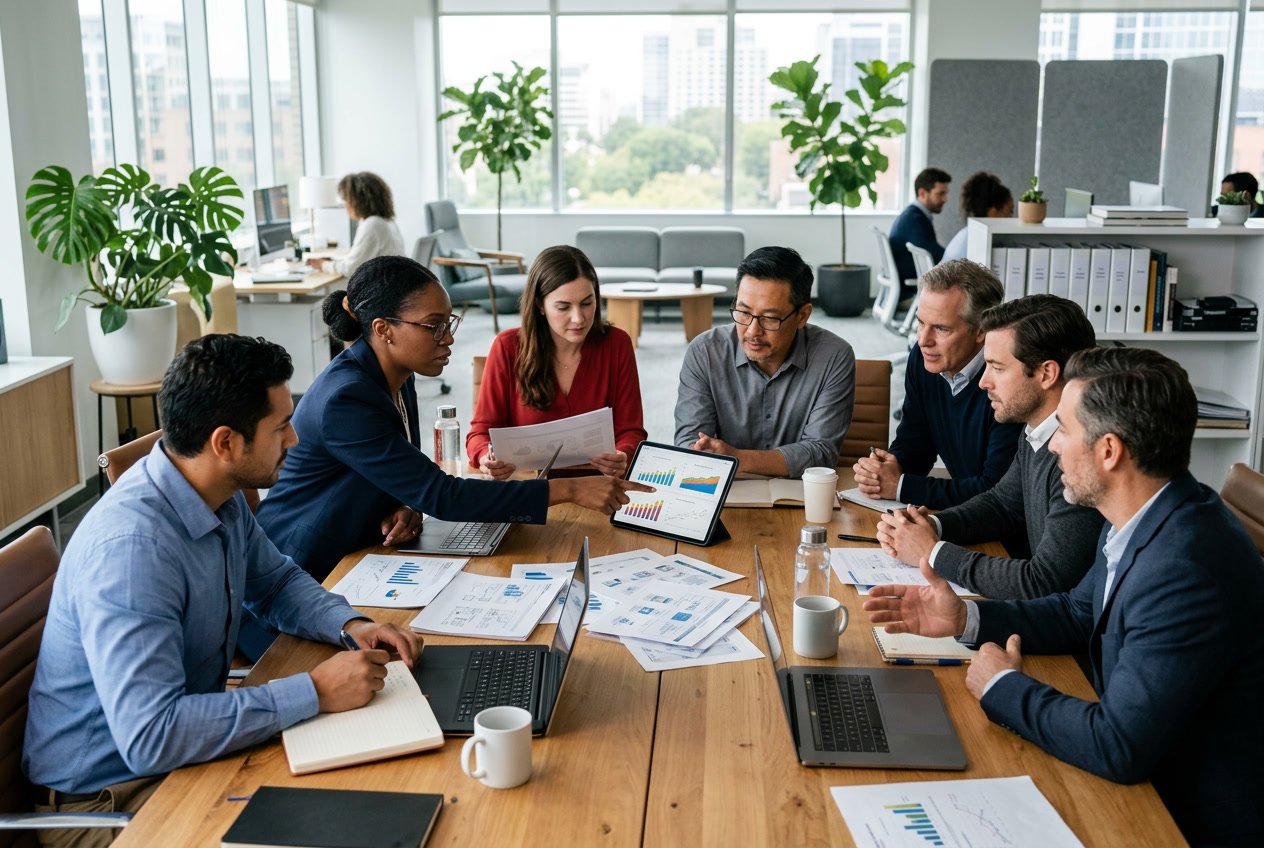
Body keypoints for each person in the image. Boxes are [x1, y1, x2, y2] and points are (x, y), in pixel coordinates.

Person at [23, 335, 422, 848]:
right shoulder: (132, 551)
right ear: (226, 443)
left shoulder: (214, 491)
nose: (295, 440)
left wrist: (352, 625)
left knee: (377, 791)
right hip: (110, 801)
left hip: (177, 755)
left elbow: (274, 582)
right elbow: (153, 735)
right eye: (281, 427)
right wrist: (315, 691)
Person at [863, 347, 1264, 847]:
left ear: (1109, 451)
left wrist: (1002, 687)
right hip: (1141, 762)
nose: (1051, 447)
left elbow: (1118, 745)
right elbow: (1078, 611)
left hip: (1180, 816)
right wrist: (965, 618)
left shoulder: (1186, 568)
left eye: (1065, 430)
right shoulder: (1146, 511)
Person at [257, 255, 651, 586]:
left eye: (449, 322)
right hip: (301, 572)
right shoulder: (347, 398)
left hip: (364, 549)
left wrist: (404, 501)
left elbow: (397, 469)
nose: (448, 338)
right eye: (434, 326)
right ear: (384, 330)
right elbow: (443, 495)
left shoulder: (396, 374)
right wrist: (572, 491)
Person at [876, 294, 1104, 599]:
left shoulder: (1081, 458)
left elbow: (1043, 581)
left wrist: (933, 552)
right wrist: (932, 524)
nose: (983, 382)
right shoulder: (1036, 429)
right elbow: (1002, 505)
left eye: (997, 368)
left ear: (1046, 374)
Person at [854, 259, 1022, 509]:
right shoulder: (924, 360)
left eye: (941, 329)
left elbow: (996, 492)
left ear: (980, 331)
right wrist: (890, 466)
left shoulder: (1005, 383)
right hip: (965, 515)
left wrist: (900, 486)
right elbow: (915, 443)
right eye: (921, 323)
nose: (923, 340)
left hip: (1003, 533)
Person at [674, 246, 855, 477]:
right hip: (724, 490)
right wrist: (703, 454)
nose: (752, 331)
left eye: (770, 318)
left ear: (802, 316)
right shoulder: (705, 352)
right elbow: (690, 444)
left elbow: (820, 453)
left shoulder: (833, 356)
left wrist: (737, 458)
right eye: (743, 312)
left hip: (800, 495)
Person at [467, 245, 646, 479]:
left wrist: (624, 454)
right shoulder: (508, 347)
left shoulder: (617, 344)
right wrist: (485, 457)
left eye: (586, 303)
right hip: (529, 489)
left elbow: (631, 430)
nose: (578, 318)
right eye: (563, 307)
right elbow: (479, 434)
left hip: (597, 486)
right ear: (540, 305)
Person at [306, 171, 406, 278]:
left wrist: (323, 265)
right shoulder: (387, 222)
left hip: (385, 290)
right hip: (396, 286)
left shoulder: (372, 225)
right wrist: (333, 262)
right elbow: (357, 260)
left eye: (346, 200)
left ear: (358, 201)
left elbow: (350, 269)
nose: (345, 205)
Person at [888, 167, 951, 293]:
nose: (945, 199)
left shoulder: (910, 215)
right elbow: (937, 256)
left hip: (904, 286)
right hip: (908, 291)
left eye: (946, 194)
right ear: (922, 193)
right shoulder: (916, 220)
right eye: (940, 194)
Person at [941, 171, 1013, 262]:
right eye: (1010, 211)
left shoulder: (965, 234)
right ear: (993, 211)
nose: (1011, 217)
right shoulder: (980, 241)